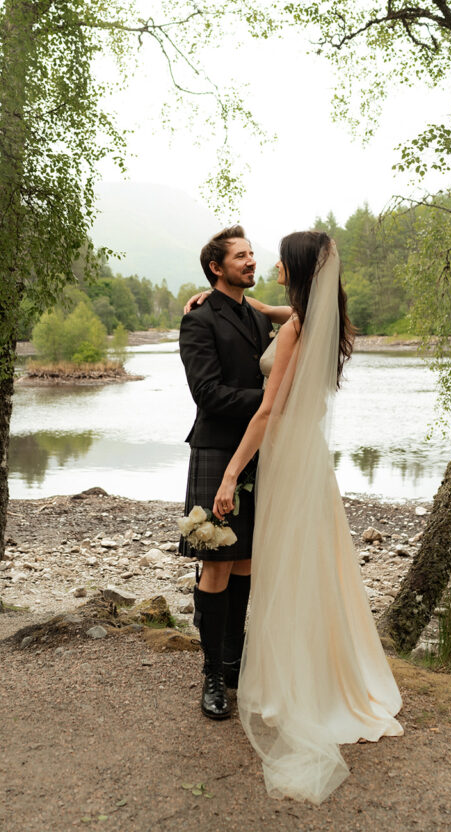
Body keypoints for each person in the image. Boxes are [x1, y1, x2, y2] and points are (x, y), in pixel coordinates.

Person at [208, 230, 403, 804]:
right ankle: (325, 675)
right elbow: (280, 313)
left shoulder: (295, 329)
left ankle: (302, 688)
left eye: (279, 259)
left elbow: (268, 409)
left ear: (294, 268)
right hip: (312, 457)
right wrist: (220, 299)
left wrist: (228, 474)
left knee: (290, 568)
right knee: (316, 566)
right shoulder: (326, 325)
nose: (268, 264)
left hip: (287, 456)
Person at [178, 225, 288, 720]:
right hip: (217, 449)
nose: (251, 262)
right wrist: (270, 403)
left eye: (252, 255)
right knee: (218, 562)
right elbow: (207, 393)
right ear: (215, 268)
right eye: (240, 257)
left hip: (259, 450)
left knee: (246, 562)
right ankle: (211, 678)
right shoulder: (200, 319)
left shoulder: (256, 314)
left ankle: (234, 660)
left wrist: (264, 308)